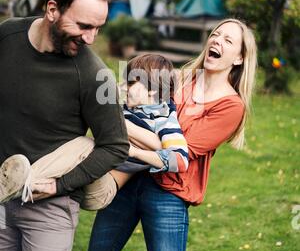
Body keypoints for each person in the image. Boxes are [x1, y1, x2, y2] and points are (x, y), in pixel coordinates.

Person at [86, 18, 257, 251]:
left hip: (168, 194)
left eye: (228, 40)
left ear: (240, 57)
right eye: (216, 35)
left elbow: (180, 152)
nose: (217, 41)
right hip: (129, 179)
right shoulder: (179, 78)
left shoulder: (232, 106)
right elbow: (130, 92)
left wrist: (120, 125)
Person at [0, 0, 129, 251]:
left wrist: (58, 185)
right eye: (84, 26)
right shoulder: (7, 37)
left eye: (98, 28)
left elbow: (116, 145)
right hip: (0, 196)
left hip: (50, 207)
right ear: (52, 9)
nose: (90, 38)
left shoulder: (97, 75)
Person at [0, 54, 189, 210]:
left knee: (87, 145)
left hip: (103, 189)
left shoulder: (164, 118)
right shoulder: (127, 109)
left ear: (152, 90)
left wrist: (133, 151)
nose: (125, 87)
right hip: (85, 174)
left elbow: (180, 160)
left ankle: (18, 182)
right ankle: (22, 182)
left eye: (131, 83)